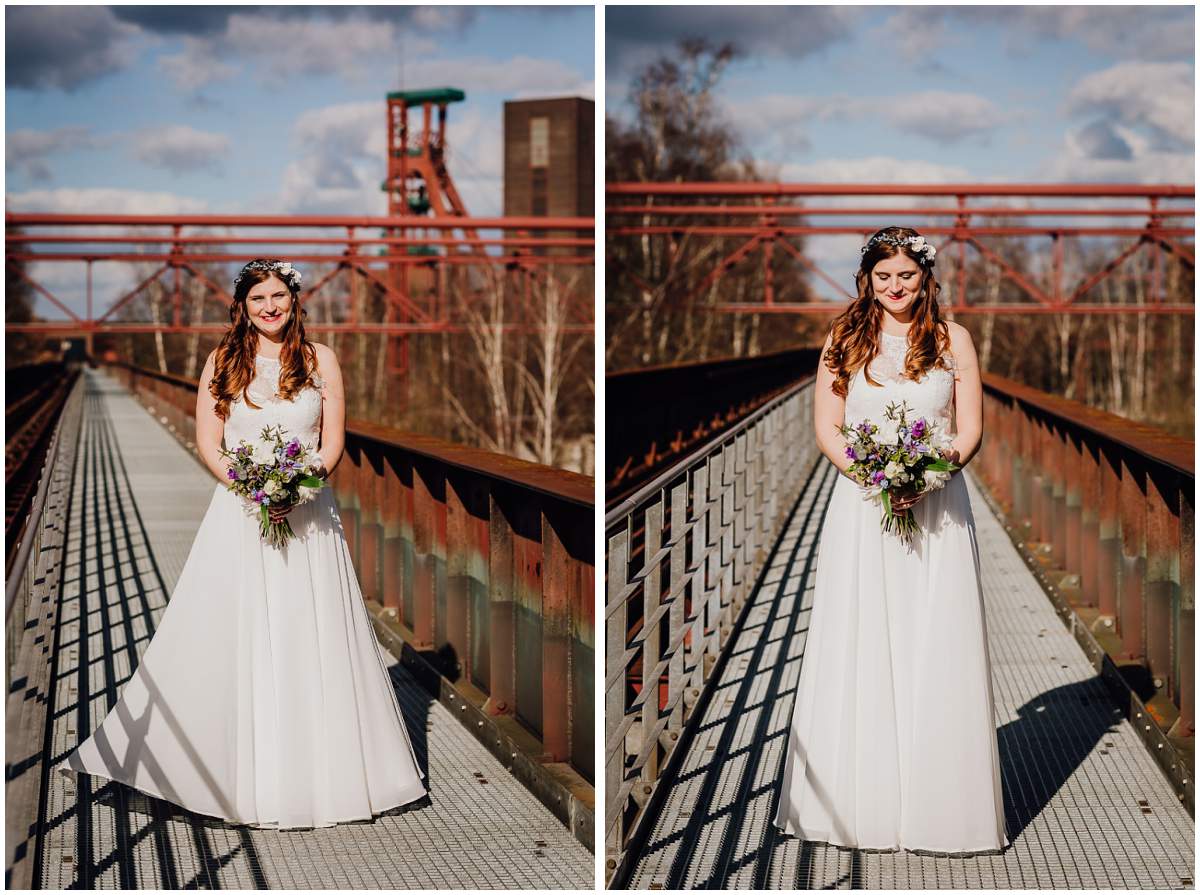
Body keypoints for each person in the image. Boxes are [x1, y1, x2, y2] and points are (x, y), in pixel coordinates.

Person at [58, 259, 428, 829]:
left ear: (294, 299)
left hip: (309, 517)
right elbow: (209, 441)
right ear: (243, 306)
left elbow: (332, 442)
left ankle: (318, 776)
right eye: (259, 299)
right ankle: (224, 772)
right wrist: (254, 490)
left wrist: (300, 488)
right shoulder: (221, 362)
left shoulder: (321, 360)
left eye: (278, 295)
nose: (270, 307)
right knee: (234, 631)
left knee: (311, 631)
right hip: (241, 514)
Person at [772, 227, 1008, 855]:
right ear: (867, 280)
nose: (895, 287)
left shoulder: (955, 341)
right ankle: (860, 803)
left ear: (925, 277)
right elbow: (827, 427)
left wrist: (925, 477)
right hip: (863, 507)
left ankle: (940, 809)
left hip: (939, 507)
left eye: (906, 276)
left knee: (934, 634)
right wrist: (879, 478)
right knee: (864, 634)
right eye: (883, 277)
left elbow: (970, 430)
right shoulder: (843, 341)